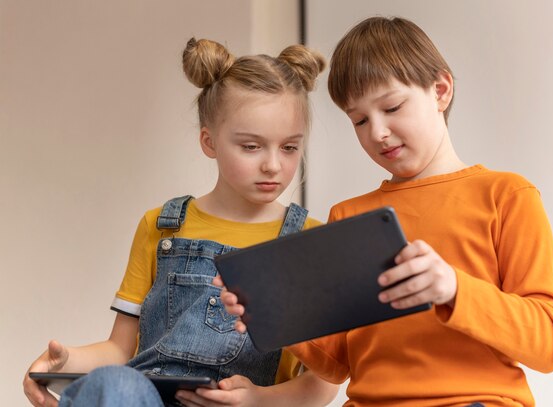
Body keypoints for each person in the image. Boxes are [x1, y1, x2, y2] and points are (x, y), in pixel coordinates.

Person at [220, 16, 553, 407]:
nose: (378, 132)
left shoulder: (507, 195)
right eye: (359, 120)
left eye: (392, 107)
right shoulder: (348, 216)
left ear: (440, 91)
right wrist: (274, 313)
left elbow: (551, 343)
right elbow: (336, 364)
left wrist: (454, 289)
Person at [23, 37, 338, 407]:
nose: (273, 165)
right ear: (209, 141)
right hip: (148, 398)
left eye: (289, 147)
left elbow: (322, 385)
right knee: (115, 386)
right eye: (251, 146)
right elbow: (119, 350)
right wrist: (63, 362)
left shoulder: (310, 240)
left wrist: (257, 399)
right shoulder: (161, 225)